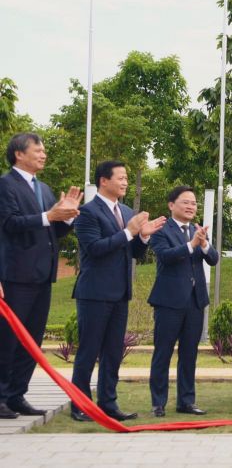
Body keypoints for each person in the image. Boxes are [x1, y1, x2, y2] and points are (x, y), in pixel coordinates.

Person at [70, 160, 165, 422]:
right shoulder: (87, 212)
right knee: (89, 350)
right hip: (94, 293)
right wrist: (128, 232)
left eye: (126, 178)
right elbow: (96, 249)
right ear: (104, 180)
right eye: (120, 178)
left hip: (120, 292)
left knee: (113, 351)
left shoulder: (124, 210)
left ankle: (108, 403)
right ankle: (79, 405)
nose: (125, 182)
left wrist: (143, 236)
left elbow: (132, 252)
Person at [0, 133, 82, 419]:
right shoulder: (5, 185)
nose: (44, 154)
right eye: (38, 149)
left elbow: (52, 229)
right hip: (16, 275)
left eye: (44, 149)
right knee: (8, 337)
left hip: (42, 275)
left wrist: (68, 217)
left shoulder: (44, 189)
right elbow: (9, 223)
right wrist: (50, 215)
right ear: (19, 154)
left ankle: (16, 395)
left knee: (31, 339)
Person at [147, 186, 219, 417]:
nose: (191, 206)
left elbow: (214, 259)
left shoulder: (197, 231)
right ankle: (158, 402)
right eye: (185, 202)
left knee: (189, 353)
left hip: (195, 302)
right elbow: (166, 257)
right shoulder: (161, 230)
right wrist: (192, 245)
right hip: (169, 302)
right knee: (163, 353)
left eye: (194, 203)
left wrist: (205, 243)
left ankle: (186, 402)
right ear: (171, 205)